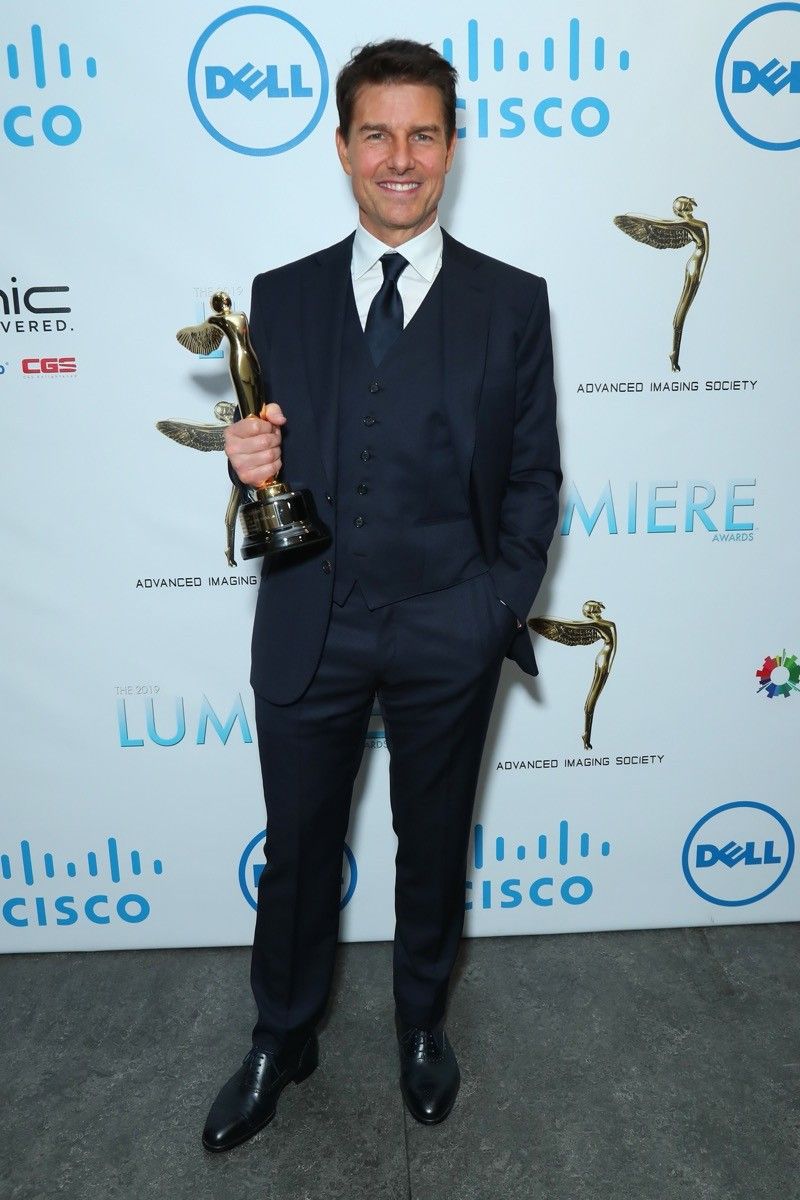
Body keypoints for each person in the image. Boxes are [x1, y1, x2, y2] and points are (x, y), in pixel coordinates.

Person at [202, 38, 561, 1153]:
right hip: (313, 619)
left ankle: (418, 1025)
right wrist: (245, 463)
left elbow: (534, 474)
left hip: (448, 623)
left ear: (450, 147)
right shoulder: (280, 296)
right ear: (343, 145)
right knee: (298, 842)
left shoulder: (511, 301)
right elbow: (275, 457)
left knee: (432, 840)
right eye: (375, 133)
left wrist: (494, 606)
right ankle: (282, 1034)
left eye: (421, 134)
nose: (397, 158)